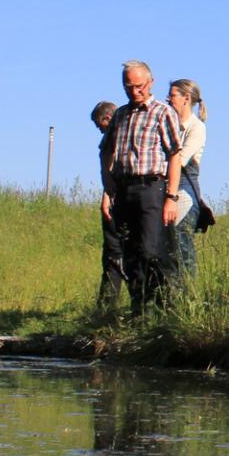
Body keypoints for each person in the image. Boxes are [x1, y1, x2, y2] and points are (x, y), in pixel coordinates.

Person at [101, 59, 183, 319]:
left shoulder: (162, 112)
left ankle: (162, 309)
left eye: (139, 86)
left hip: (152, 188)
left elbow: (175, 156)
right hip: (125, 189)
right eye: (129, 87)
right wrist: (108, 184)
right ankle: (139, 311)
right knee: (131, 252)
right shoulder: (120, 115)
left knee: (151, 250)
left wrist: (171, 197)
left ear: (150, 83)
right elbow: (105, 150)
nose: (134, 92)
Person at [164, 78, 207, 282]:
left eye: (172, 95)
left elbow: (180, 160)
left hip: (184, 192)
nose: (168, 99)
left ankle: (187, 297)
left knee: (182, 248)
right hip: (167, 190)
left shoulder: (196, 127)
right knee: (167, 249)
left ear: (186, 99)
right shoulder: (168, 124)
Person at [90, 100, 126, 307]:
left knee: (114, 253)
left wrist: (107, 195)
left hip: (116, 198)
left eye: (99, 125)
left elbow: (111, 169)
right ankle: (108, 304)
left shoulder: (114, 138)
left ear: (107, 119)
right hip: (117, 195)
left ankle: (108, 305)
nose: (99, 130)